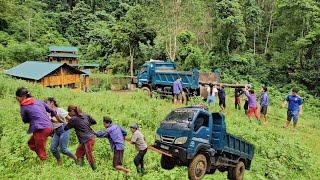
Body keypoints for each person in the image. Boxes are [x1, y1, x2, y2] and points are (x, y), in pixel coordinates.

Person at [16, 87, 59, 161]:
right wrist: (53, 117)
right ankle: (42, 154)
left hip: (40, 129)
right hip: (49, 126)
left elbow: (25, 120)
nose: (17, 100)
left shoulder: (23, 106)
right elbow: (51, 110)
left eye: (18, 98)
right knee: (31, 143)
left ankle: (44, 166)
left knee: (40, 149)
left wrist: (31, 119)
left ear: (23, 97)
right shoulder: (38, 101)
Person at [45, 97, 77, 165]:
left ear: (52, 103)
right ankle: (59, 161)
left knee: (63, 149)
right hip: (56, 131)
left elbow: (70, 119)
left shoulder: (60, 110)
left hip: (64, 129)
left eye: (47, 103)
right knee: (53, 148)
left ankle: (76, 159)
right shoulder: (48, 113)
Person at [64, 105, 97, 170]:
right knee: (79, 153)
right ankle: (80, 169)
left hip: (87, 140)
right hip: (90, 138)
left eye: (69, 112)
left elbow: (65, 128)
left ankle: (95, 171)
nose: (68, 114)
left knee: (89, 156)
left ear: (73, 111)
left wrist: (65, 120)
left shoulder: (73, 119)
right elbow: (94, 122)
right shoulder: (86, 115)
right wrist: (85, 124)